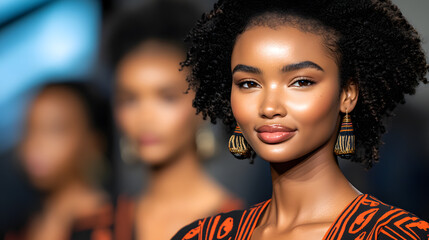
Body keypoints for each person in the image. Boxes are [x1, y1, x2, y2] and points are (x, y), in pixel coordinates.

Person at [172, 0, 429, 239]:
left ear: (347, 94)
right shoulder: (202, 235)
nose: (269, 107)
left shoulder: (395, 235)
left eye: (301, 82)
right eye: (249, 84)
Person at [105, 1, 243, 239]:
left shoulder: (244, 229)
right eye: (129, 100)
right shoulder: (94, 227)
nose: (145, 118)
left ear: (204, 103)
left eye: (167, 98)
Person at [6, 82, 113, 240]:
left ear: (92, 141)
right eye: (30, 128)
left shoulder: (113, 224)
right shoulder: (20, 223)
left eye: (55, 129)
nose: (37, 143)